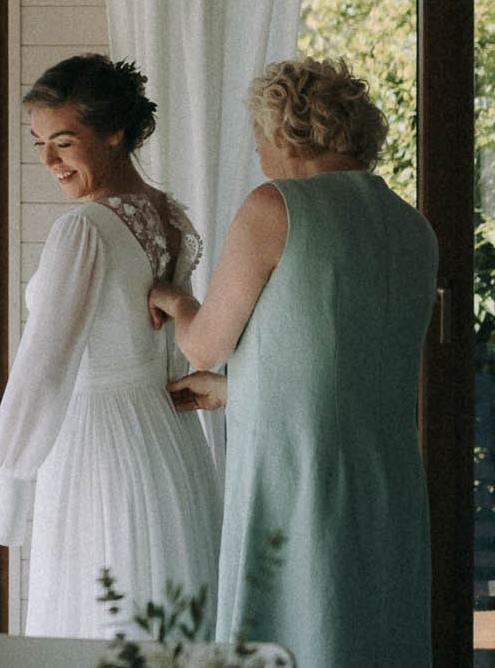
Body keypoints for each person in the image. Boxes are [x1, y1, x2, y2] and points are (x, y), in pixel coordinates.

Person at [150, 57, 435, 666]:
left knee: (295, 631)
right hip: (387, 475)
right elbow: (349, 353)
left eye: (259, 135)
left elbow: (203, 343)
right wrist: (230, 390)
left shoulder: (274, 207)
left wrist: (175, 298)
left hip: (298, 471)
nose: (258, 153)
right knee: (371, 630)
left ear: (287, 131)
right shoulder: (413, 228)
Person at [0, 54, 219, 636]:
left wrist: (6, 479)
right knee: (159, 606)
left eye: (63, 142)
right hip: (170, 437)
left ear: (115, 132)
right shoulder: (171, 216)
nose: (48, 161)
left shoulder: (84, 229)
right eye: (38, 144)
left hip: (99, 444)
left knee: (100, 606)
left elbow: (43, 366)